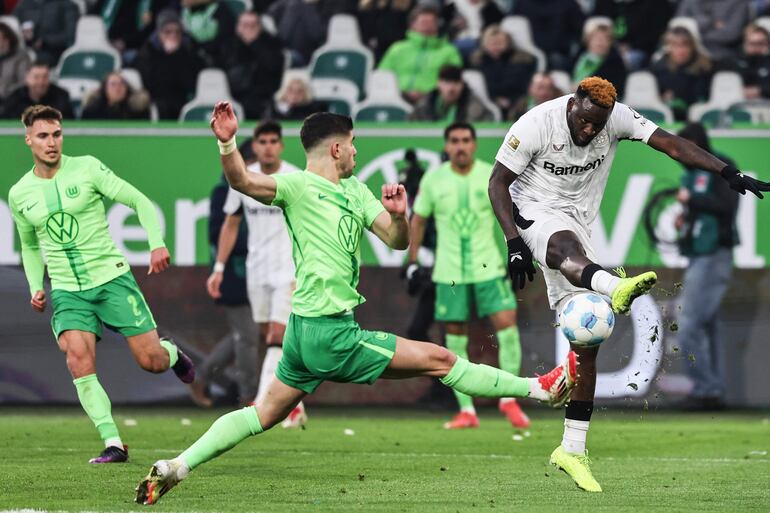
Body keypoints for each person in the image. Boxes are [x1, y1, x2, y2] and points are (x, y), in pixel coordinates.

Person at [134, 104, 579, 505]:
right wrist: (227, 141)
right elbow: (241, 179)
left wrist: (401, 215)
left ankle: (178, 465)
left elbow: (395, 238)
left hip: (304, 332)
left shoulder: (356, 192)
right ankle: (540, 388)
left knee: (261, 414)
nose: (356, 153)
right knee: (441, 359)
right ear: (335, 148)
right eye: (352, 145)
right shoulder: (297, 187)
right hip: (329, 333)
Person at [487, 76, 770, 492]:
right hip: (534, 208)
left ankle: (572, 448)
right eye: (585, 121)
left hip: (580, 221)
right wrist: (513, 242)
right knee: (561, 247)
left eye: (598, 125)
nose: (590, 131)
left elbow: (672, 144)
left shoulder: (615, 117)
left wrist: (727, 171)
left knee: (589, 343)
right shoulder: (535, 124)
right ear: (574, 103)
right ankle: (613, 287)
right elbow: (496, 183)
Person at [8, 105, 196, 464]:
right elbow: (30, 244)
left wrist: (156, 241)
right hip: (66, 290)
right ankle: (113, 442)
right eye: (44, 136)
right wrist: (36, 285)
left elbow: (138, 200)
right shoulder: (20, 193)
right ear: (28, 139)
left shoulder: (88, 168)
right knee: (77, 359)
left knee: (151, 361)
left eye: (57, 134)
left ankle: (171, 352)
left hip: (111, 279)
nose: (52, 142)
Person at [409, 122, 528, 429]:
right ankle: (467, 411)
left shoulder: (491, 176)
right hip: (449, 272)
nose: (460, 146)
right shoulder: (433, 180)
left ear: (474, 145)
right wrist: (411, 261)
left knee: (507, 326)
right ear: (447, 146)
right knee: (454, 338)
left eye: (465, 140)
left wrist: (516, 249)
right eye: (454, 141)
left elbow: (510, 215)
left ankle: (509, 400)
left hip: (488, 266)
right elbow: (418, 220)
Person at [206, 120, 307, 428]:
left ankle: (264, 402)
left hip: (288, 269)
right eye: (262, 141)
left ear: (281, 145)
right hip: (256, 269)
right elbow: (231, 223)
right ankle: (294, 402)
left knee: (277, 336)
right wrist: (219, 268)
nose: (268, 147)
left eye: (273, 141)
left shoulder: (295, 177)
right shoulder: (244, 178)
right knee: (272, 338)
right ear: (256, 146)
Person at [674, 123, 740, 411]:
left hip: (715, 253)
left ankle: (705, 387)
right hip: (698, 253)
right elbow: (699, 213)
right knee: (708, 326)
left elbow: (727, 206)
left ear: (698, 143)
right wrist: (684, 218)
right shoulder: (689, 175)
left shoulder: (723, 166)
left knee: (688, 325)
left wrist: (694, 200)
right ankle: (713, 391)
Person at [189, 172, 256, 408]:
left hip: (259, 274)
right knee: (247, 336)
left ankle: (204, 376)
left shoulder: (262, 188)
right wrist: (256, 243)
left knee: (249, 333)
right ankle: (249, 397)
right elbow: (219, 235)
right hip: (234, 277)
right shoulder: (224, 192)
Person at [378, 5, 462, 104]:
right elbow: (382, 76)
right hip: (396, 97)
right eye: (424, 22)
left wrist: (430, 93)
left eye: (432, 22)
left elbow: (453, 81)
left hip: (433, 100)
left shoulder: (449, 51)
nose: (428, 26)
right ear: (413, 25)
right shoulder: (397, 49)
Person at [135, 9, 204, 120]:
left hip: (184, 98)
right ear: (159, 33)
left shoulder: (189, 49)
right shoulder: (147, 51)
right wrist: (167, 58)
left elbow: (192, 82)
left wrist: (177, 55)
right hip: (157, 100)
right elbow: (150, 82)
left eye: (177, 32)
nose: (173, 35)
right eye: (168, 32)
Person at [223, 11, 285, 120]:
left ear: (260, 27)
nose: (249, 29)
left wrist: (254, 43)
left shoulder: (271, 43)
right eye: (245, 25)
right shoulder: (228, 43)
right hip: (235, 93)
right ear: (238, 27)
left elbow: (274, 65)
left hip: (264, 96)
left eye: (253, 25)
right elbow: (227, 66)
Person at [468, 24, 536, 119]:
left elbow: (521, 85)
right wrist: (495, 99)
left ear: (508, 43)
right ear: (484, 44)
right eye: (492, 43)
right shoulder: (477, 62)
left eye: (500, 43)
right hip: (488, 99)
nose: (496, 46)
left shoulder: (521, 61)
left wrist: (510, 100)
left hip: (517, 100)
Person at [650, 26, 712, 122]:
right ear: (668, 47)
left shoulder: (703, 68)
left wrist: (674, 95)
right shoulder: (659, 67)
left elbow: (701, 96)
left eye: (684, 45)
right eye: (675, 45)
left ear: (692, 47)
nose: (680, 50)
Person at [409, 65, 495, 122]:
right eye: (447, 82)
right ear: (438, 83)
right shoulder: (423, 105)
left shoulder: (476, 107)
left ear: (462, 85)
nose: (451, 88)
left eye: (456, 83)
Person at [676, 0, 750, 64]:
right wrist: (711, 22)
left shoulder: (738, 3)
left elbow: (730, 35)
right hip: (689, 54)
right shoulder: (690, 1)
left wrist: (694, 32)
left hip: (721, 56)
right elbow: (679, 27)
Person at [572, 19, 626, 98]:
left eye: (605, 39)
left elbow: (617, 91)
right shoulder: (578, 57)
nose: (600, 42)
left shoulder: (616, 63)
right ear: (588, 39)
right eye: (596, 38)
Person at [13, 0, 78, 66]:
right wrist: (22, 36)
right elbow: (11, 30)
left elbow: (70, 36)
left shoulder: (67, 5)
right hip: (24, 51)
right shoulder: (24, 5)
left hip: (53, 53)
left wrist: (44, 41)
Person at [0, 62, 74, 119]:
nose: (40, 82)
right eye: (36, 77)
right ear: (27, 79)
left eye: (45, 77)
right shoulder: (14, 99)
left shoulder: (61, 97)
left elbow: (70, 125)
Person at [80, 71, 151, 120]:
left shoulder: (137, 111)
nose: (118, 88)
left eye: (122, 84)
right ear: (105, 88)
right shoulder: (92, 111)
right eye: (113, 84)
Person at [736, 24, 770, 100]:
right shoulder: (733, 62)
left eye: (761, 43)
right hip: (738, 104)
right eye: (752, 43)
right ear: (744, 43)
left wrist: (759, 90)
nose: (756, 47)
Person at [0, 21, 31, 101]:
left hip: (12, 101)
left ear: (7, 40)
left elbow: (24, 83)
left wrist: (4, 91)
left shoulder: (21, 57)